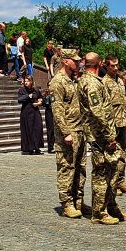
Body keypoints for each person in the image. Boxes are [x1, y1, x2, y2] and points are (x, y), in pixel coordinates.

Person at [77, 52, 124, 225]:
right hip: (100, 136)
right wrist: (109, 135)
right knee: (101, 173)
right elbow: (98, 112)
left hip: (100, 134)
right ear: (100, 64)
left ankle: (109, 206)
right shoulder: (91, 83)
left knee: (111, 171)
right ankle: (99, 212)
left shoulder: (88, 80)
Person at [50, 49, 85, 218]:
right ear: (65, 61)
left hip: (79, 130)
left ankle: (78, 201)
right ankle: (66, 203)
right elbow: (57, 110)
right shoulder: (58, 82)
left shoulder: (72, 80)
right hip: (68, 132)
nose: (78, 63)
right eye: (75, 60)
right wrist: (65, 133)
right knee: (66, 168)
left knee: (80, 169)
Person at [102, 57, 126, 195]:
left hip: (122, 122)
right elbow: (104, 107)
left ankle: (120, 180)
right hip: (112, 123)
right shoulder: (104, 83)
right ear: (106, 66)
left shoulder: (119, 81)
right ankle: (112, 183)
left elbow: (123, 104)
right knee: (112, 155)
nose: (115, 68)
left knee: (122, 153)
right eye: (112, 66)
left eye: (117, 65)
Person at [17, 75, 44, 155]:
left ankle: (37, 147)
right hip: (26, 112)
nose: (26, 83)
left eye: (27, 81)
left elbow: (41, 98)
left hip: (35, 111)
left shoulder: (36, 90)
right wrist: (28, 96)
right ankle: (30, 148)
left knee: (37, 129)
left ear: (31, 82)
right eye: (25, 81)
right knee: (28, 129)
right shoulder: (22, 90)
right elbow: (19, 100)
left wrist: (39, 103)